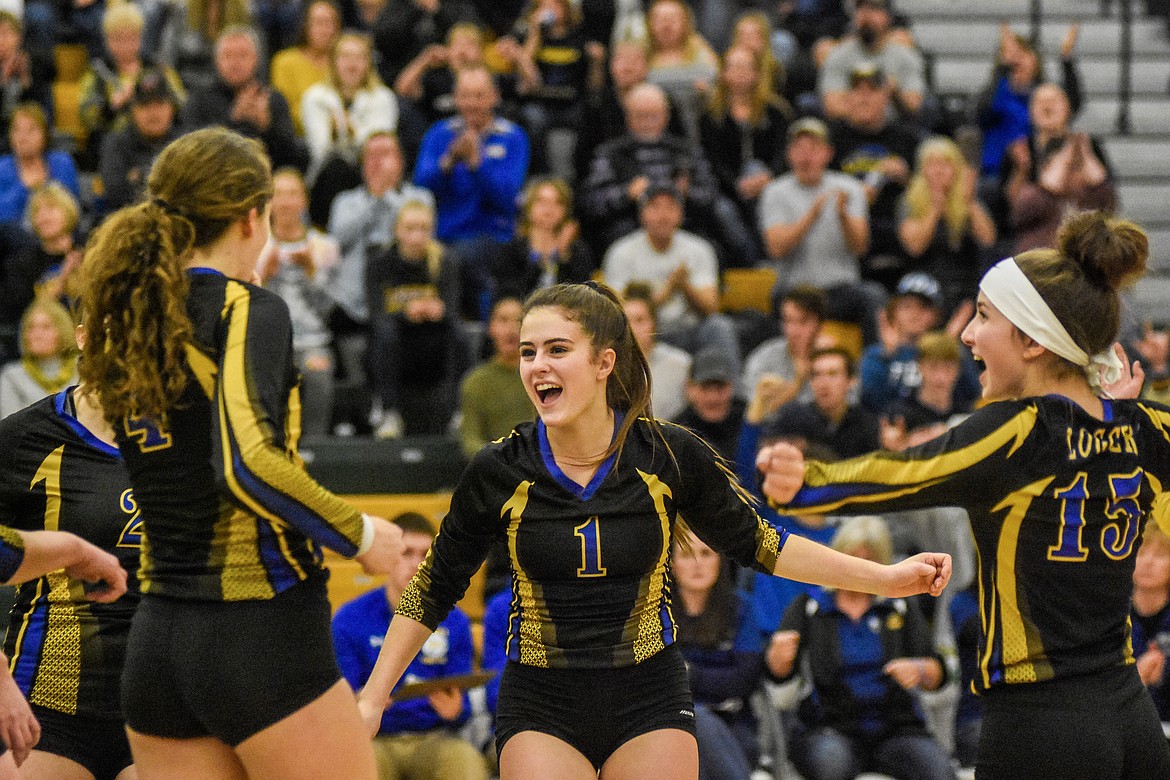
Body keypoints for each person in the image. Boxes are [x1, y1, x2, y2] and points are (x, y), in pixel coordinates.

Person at [353, 281, 951, 779]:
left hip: (648, 694)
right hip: (541, 697)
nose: (537, 366)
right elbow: (434, 586)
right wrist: (374, 696)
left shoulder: (670, 455)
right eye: (529, 351)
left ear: (604, 361)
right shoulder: (497, 470)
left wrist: (885, 578)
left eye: (557, 349)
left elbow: (765, 545)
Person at [758, 210, 1170, 778]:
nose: (967, 335)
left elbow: (907, 474)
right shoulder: (1149, 427)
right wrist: (1116, 414)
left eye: (982, 317)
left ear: (1031, 340)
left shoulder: (1018, 430)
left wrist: (802, 486)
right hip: (1134, 721)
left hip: (1041, 724)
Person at [76, 126, 402, 779]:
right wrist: (362, 533)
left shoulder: (133, 312)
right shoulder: (243, 306)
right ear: (252, 218)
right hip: (258, 633)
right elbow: (246, 459)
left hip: (159, 644)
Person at [0, 378, 140, 779]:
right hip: (47, 703)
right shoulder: (25, 437)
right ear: (82, 336)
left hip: (162, 698)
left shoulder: (197, 436)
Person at [768, 516, 955, 780]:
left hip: (896, 728)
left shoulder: (900, 607)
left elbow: (941, 673)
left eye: (869, 561)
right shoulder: (809, 608)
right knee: (831, 764)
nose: (860, 570)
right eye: (852, 559)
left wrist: (921, 670)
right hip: (828, 728)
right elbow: (779, 685)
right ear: (837, 558)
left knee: (938, 770)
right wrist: (779, 661)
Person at [333, 511, 488, 780]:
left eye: (425, 555)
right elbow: (339, 703)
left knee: (466, 763)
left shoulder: (456, 621)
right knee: (352, 767)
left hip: (435, 737)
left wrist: (456, 710)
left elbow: (462, 704)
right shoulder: (350, 618)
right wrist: (364, 701)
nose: (417, 564)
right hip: (374, 739)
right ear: (390, 556)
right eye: (407, 553)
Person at [365, 198, 468, 437]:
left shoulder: (445, 261)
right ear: (397, 230)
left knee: (460, 335)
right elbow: (375, 312)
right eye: (410, 228)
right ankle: (389, 412)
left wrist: (437, 311)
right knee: (384, 332)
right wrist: (406, 312)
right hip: (397, 340)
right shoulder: (379, 262)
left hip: (433, 340)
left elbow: (452, 308)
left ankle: (458, 412)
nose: (417, 235)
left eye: (423, 228)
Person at [672, 528, 764, 780]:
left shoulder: (740, 609)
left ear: (720, 561)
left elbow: (744, 679)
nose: (698, 563)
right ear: (671, 564)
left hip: (733, 726)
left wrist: (690, 675)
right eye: (687, 554)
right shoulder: (655, 614)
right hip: (667, 727)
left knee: (699, 724)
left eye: (707, 553)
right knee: (692, 727)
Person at [255, 168, 339, 437]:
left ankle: (316, 448)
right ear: (269, 201)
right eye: (279, 194)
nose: (286, 202)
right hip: (267, 340)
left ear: (304, 200)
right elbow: (245, 304)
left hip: (313, 341)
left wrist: (311, 273)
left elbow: (329, 310)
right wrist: (264, 277)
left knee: (318, 374)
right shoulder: (255, 245)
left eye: (293, 194)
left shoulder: (325, 246)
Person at [179, 26, 310, 173]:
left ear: (256, 59)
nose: (235, 63)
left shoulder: (272, 99)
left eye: (242, 55)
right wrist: (234, 121)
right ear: (216, 61)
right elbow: (192, 154)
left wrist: (266, 127)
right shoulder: (199, 100)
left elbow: (291, 161)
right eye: (228, 56)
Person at [897, 136, 996, 316]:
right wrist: (935, 209)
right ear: (922, 170)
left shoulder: (968, 199)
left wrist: (970, 202)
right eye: (932, 165)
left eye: (945, 164)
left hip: (965, 283)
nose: (939, 171)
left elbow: (988, 239)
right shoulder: (909, 201)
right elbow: (914, 247)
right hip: (924, 283)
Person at [301, 31, 398, 186]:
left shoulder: (384, 98)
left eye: (359, 57)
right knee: (336, 169)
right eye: (345, 56)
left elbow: (379, 150)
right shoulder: (314, 97)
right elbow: (319, 150)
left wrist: (352, 134)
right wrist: (336, 136)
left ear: (368, 63)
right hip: (327, 178)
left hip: (371, 177)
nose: (352, 64)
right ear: (333, 62)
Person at [764, 346, 881, 461]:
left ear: (851, 381)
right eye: (817, 374)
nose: (823, 383)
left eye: (832, 374)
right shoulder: (792, 419)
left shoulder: (867, 425)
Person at [490, 176, 594, 300]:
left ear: (566, 210)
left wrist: (563, 255)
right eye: (541, 201)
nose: (548, 208)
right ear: (529, 206)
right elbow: (510, 293)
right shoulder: (511, 249)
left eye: (557, 202)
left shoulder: (577, 251)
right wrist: (539, 260)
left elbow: (581, 295)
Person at [458, 294, 533, 459]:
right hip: (497, 471)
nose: (512, 329)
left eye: (519, 321)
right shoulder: (476, 382)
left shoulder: (543, 375)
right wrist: (502, 460)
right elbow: (470, 439)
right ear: (491, 327)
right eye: (503, 320)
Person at [99, 66, 183, 213]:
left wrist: (139, 177)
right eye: (145, 105)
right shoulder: (116, 143)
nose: (153, 113)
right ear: (133, 111)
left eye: (159, 104)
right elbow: (116, 194)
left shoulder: (185, 142)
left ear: (171, 108)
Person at [621, 281, 691, 422]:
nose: (632, 329)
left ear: (653, 323)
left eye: (639, 320)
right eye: (626, 322)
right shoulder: (607, 367)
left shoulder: (682, 364)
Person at [0, 103, 80, 227]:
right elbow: (3, 218)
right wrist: (24, 188)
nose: (23, 137)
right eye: (17, 130)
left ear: (44, 134)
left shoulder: (62, 163)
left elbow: (72, 208)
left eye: (31, 130)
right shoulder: (2, 168)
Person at [270, 0, 342, 134]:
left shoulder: (343, 62)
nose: (325, 29)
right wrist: (323, 122)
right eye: (319, 23)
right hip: (298, 137)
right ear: (305, 25)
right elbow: (283, 110)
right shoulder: (285, 61)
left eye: (330, 23)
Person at [0, 297, 78, 419]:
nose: (37, 335)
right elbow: (10, 430)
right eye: (31, 328)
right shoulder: (12, 376)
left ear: (63, 331)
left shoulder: (82, 370)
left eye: (46, 327)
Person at [672, 347, 745, 462]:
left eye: (720, 387)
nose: (713, 397)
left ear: (731, 387)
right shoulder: (676, 433)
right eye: (705, 388)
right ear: (689, 388)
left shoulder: (748, 420)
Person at [1131, 524, 1170, 728]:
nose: (1148, 562)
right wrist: (1133, 679)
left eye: (1161, 555)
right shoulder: (1111, 616)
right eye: (1141, 552)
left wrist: (1165, 675)